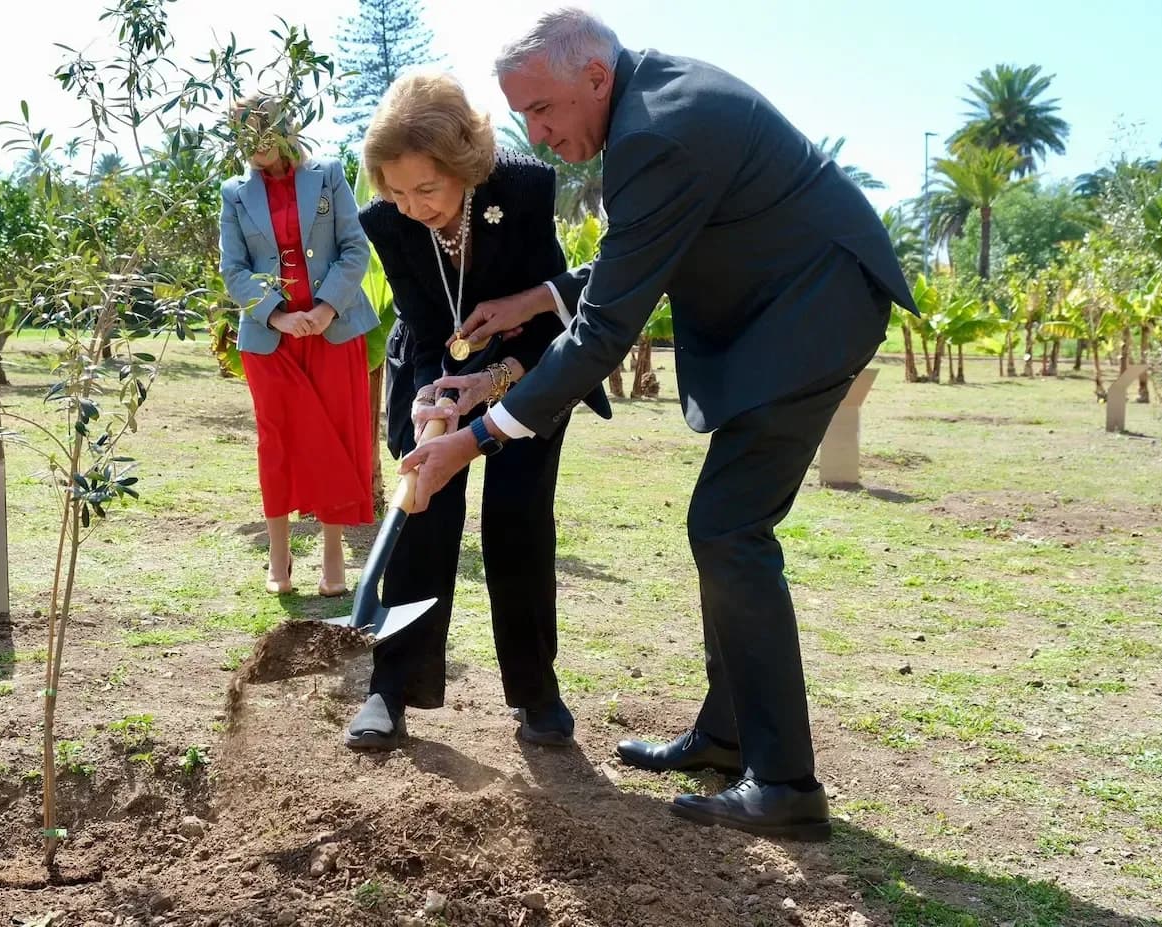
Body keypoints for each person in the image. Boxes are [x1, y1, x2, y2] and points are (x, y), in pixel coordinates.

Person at [398, 9, 917, 841]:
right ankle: (731, 732)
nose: (535, 132)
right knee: (723, 527)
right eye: (523, 114)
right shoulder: (651, 108)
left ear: (595, 78)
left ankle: (785, 783)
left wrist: (477, 437)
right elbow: (638, 250)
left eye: (542, 110)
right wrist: (535, 299)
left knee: (728, 528)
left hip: (813, 313)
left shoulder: (655, 133)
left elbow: (604, 333)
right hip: (786, 313)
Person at [344, 72, 611, 751]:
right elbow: (426, 323)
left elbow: (554, 313)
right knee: (422, 513)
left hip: (530, 368)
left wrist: (495, 378)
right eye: (397, 191)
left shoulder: (522, 189)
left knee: (517, 519)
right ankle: (390, 687)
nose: (412, 206)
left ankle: (536, 693)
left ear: (463, 161)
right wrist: (434, 396)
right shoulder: (388, 222)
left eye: (426, 188)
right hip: (434, 366)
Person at [218, 94, 380, 596]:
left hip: (333, 332)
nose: (250, 146)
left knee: (334, 434)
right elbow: (234, 269)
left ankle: (333, 555)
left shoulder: (328, 174)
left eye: (257, 132)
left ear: (283, 129)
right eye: (240, 135)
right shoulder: (234, 193)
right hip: (271, 340)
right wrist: (280, 316)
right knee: (278, 440)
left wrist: (326, 307)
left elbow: (356, 247)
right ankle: (278, 553)